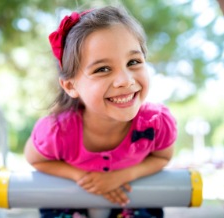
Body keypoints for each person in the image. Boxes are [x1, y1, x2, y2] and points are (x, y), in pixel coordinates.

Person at [24, 5, 177, 218]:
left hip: (130, 200)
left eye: (133, 62)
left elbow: (162, 158)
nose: (125, 80)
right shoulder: (56, 130)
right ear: (70, 86)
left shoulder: (156, 123)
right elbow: (36, 159)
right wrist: (81, 176)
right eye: (102, 69)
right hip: (70, 204)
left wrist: (121, 176)